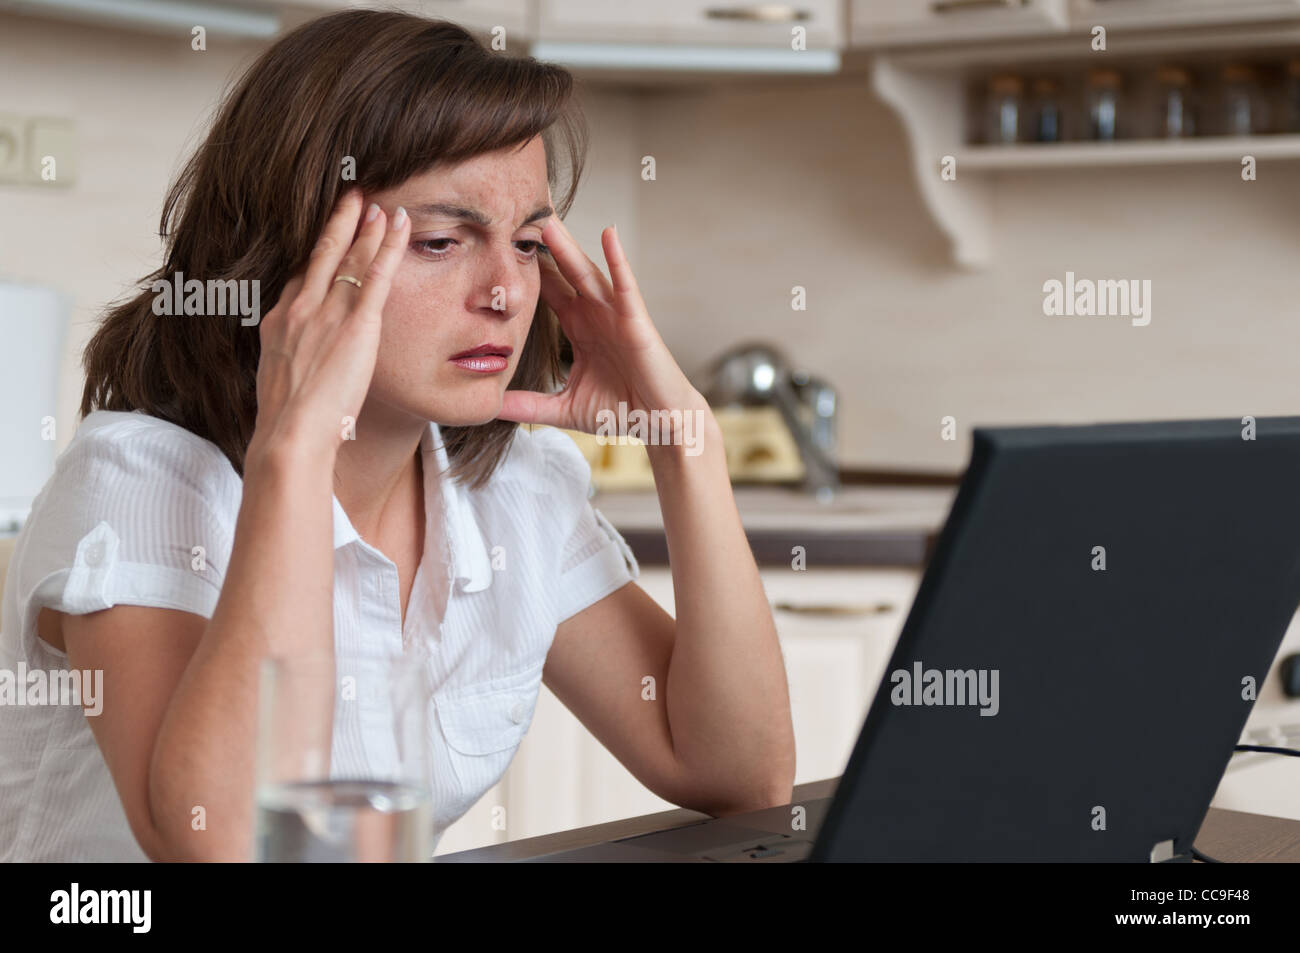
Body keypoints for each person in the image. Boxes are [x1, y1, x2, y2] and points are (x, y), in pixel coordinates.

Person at [0, 9, 794, 861]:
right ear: (294, 250)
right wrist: (297, 445)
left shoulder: (512, 490)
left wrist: (686, 442)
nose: (505, 292)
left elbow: (740, 776)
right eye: (444, 241)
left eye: (528, 243)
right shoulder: (138, 483)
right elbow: (227, 843)